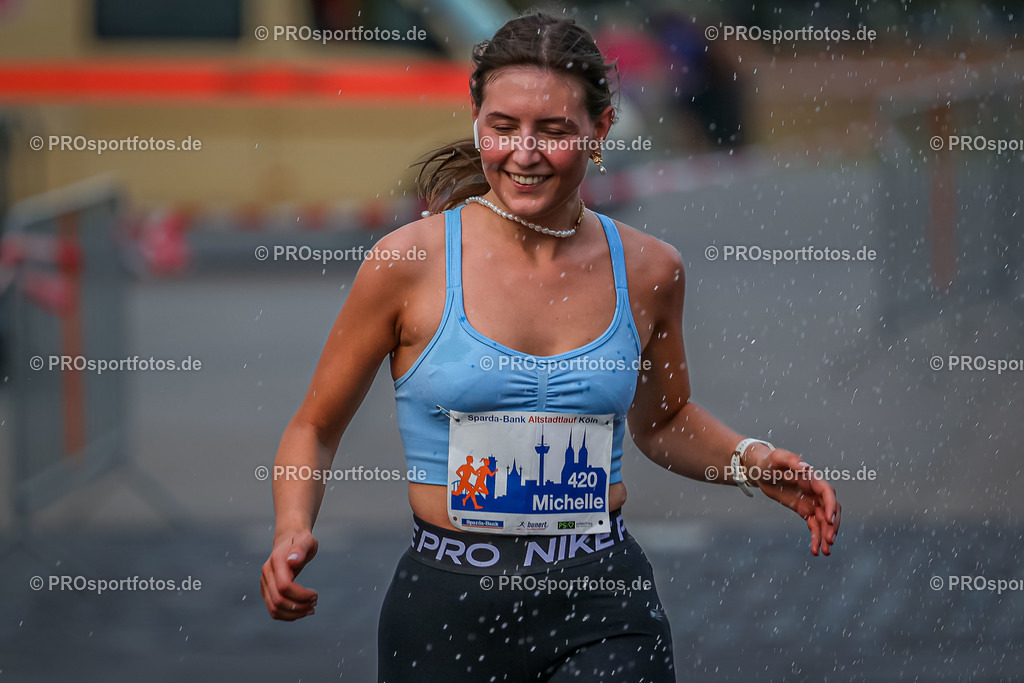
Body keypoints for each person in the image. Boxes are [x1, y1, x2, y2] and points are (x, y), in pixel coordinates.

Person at [260, 12, 841, 682]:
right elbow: (314, 424)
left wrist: (748, 459)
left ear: (599, 130)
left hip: (602, 597)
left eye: (554, 130)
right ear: (476, 119)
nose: (525, 151)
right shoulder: (408, 262)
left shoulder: (650, 268)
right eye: (503, 126)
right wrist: (291, 527)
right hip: (448, 606)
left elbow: (663, 421)